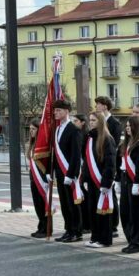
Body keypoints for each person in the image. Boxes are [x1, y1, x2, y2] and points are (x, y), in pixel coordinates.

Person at [83, 112, 117, 248]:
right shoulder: (90, 138)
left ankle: (104, 240)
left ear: (101, 122)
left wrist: (106, 182)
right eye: (90, 120)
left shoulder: (107, 139)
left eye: (94, 120)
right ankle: (95, 237)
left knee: (103, 211)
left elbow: (110, 163)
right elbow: (87, 161)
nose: (91, 122)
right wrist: (85, 178)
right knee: (92, 210)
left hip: (102, 181)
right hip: (92, 181)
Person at [53, 99, 83, 243]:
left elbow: (76, 155)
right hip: (60, 173)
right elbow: (56, 153)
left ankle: (76, 232)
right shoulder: (58, 129)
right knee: (64, 204)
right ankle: (68, 230)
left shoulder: (74, 129)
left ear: (66, 111)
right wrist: (52, 171)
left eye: (58, 110)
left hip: (69, 174)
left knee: (73, 204)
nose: (55, 113)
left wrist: (71, 174)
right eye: (55, 110)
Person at [118, 115, 139, 254]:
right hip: (126, 179)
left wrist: (137, 182)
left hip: (136, 182)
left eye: (130, 126)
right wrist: (118, 180)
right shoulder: (126, 143)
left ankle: (138, 242)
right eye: (126, 126)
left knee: (137, 214)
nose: (128, 128)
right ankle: (131, 239)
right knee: (125, 212)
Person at [96, 95, 122, 237]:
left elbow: (115, 144)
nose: (96, 107)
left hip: (110, 162)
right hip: (98, 164)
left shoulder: (114, 123)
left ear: (105, 106)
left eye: (98, 104)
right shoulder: (98, 121)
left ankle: (113, 226)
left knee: (111, 195)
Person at [26, 119, 48, 238]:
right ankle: (41, 226)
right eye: (30, 129)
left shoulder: (42, 144)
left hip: (41, 178)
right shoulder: (32, 143)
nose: (31, 131)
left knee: (42, 203)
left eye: (33, 129)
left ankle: (46, 228)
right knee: (37, 204)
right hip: (33, 178)